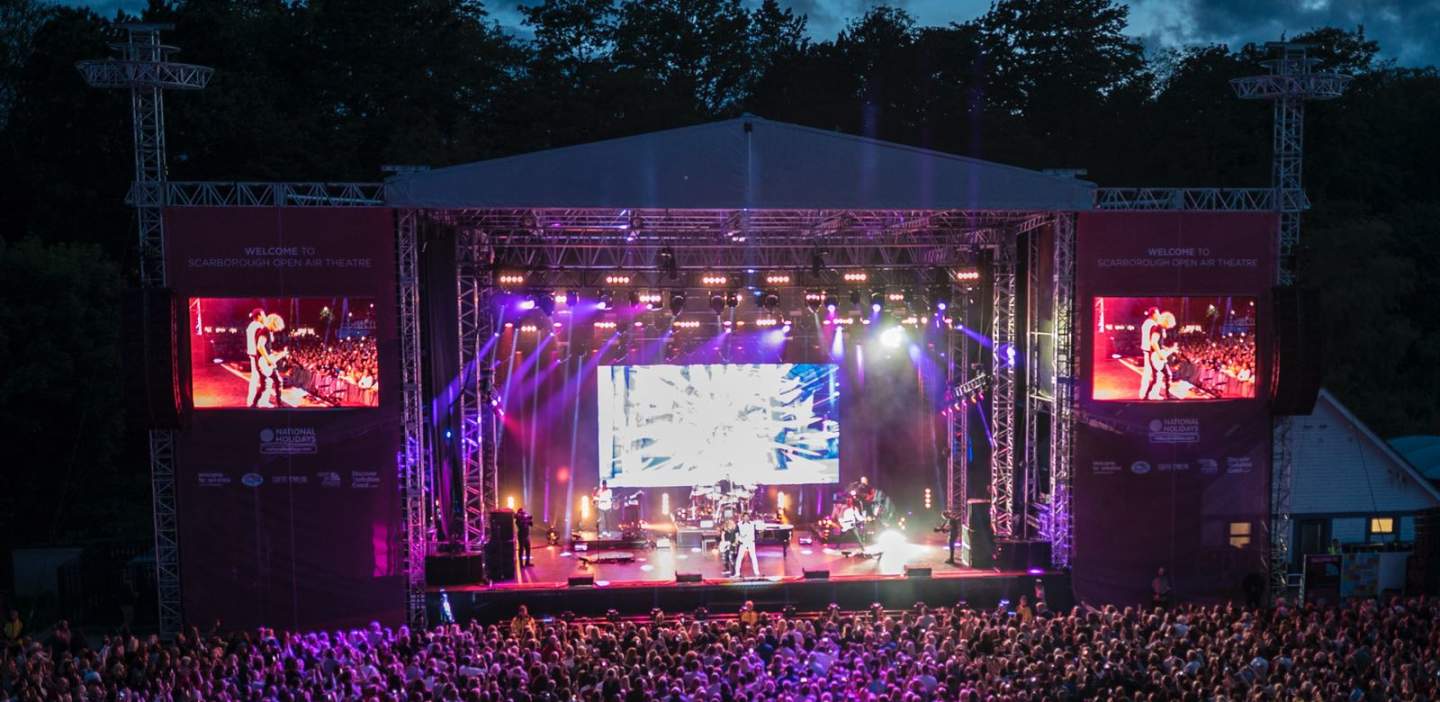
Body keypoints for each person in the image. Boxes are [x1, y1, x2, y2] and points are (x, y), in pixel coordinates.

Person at [244, 307, 267, 406]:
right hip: (258, 355)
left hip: (253, 354)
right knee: (267, 379)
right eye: (263, 314)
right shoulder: (259, 326)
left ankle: (251, 401)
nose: (264, 316)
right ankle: (262, 401)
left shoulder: (250, 326)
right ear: (258, 316)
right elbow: (260, 343)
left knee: (255, 379)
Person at [734, 512, 759, 578]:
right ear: (742, 517)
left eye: (747, 516)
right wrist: (738, 540)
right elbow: (736, 533)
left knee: (753, 557)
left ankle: (756, 572)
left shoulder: (753, 524)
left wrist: (755, 539)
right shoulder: (739, 524)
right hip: (743, 542)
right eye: (744, 517)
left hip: (751, 542)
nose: (746, 518)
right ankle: (737, 572)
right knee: (739, 558)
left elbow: (756, 532)